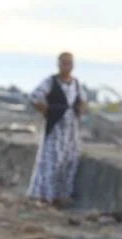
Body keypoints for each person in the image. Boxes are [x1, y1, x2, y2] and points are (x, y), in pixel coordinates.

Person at [27, 52, 86, 208]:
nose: (67, 66)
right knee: (51, 161)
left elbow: (83, 101)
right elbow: (34, 97)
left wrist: (79, 110)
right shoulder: (51, 81)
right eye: (64, 63)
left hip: (71, 130)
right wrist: (46, 110)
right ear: (59, 65)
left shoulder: (76, 83)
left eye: (70, 63)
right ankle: (45, 196)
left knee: (69, 162)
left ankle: (62, 195)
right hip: (55, 127)